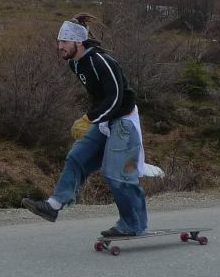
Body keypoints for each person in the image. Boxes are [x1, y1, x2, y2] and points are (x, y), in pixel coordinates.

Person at [22, 14, 149, 237]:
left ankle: (133, 224)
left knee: (116, 174)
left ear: (78, 42)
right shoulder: (75, 63)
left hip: (124, 121)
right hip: (104, 119)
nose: (59, 46)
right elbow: (99, 97)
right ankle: (53, 205)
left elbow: (116, 96)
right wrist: (95, 118)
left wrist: (89, 118)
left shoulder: (102, 61)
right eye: (59, 41)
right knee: (76, 157)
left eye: (64, 41)